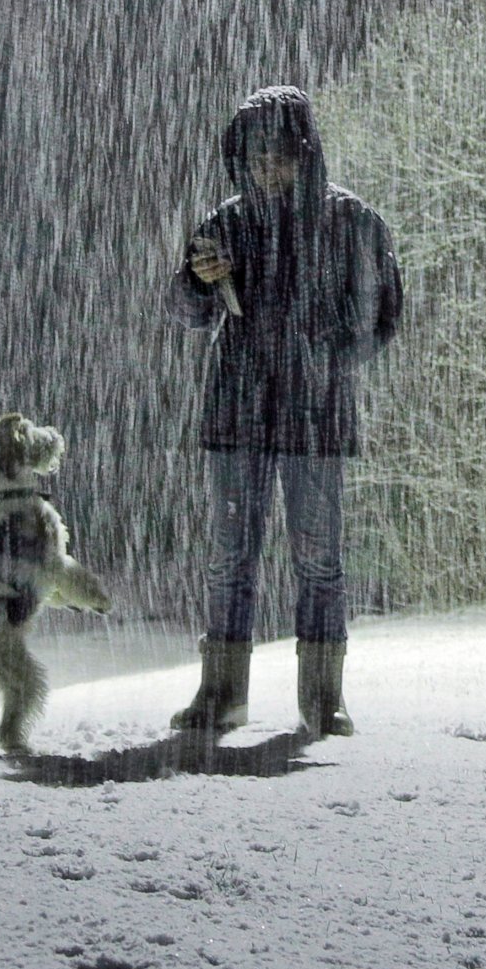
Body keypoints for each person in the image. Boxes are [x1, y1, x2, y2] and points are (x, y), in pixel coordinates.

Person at [165, 85, 402, 739]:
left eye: (279, 156)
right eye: (255, 158)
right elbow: (187, 312)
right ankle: (221, 695)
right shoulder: (227, 222)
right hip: (237, 415)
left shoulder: (352, 223)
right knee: (229, 558)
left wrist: (325, 355)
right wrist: (196, 279)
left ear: (305, 154)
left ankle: (322, 700)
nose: (267, 169)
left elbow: (384, 313)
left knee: (318, 558)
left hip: (314, 418)